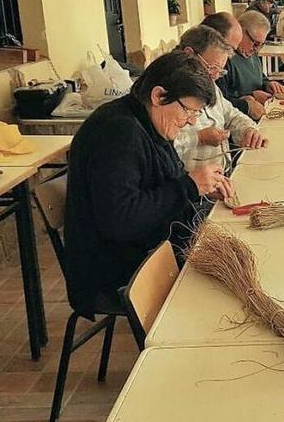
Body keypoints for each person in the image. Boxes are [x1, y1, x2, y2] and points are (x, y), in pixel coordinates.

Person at [64, 51, 232, 314]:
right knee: (221, 302)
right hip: (116, 272)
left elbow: (161, 185)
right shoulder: (119, 133)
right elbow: (121, 221)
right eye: (189, 110)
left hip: (147, 250)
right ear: (158, 95)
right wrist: (188, 187)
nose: (191, 121)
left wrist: (202, 190)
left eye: (196, 114)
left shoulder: (146, 121)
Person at [174, 25, 267, 173]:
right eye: (211, 68)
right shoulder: (168, 90)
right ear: (189, 54)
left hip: (220, 178)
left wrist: (248, 130)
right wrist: (199, 138)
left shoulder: (209, 84)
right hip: (189, 188)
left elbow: (231, 115)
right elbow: (158, 150)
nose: (215, 77)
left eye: (220, 71)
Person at [217, 10, 284, 121]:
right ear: (241, 31)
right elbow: (221, 103)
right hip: (241, 121)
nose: (257, 49)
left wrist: (268, 84)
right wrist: (252, 97)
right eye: (255, 43)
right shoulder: (224, 59)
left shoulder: (251, 53)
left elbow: (259, 76)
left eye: (261, 44)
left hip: (261, 114)